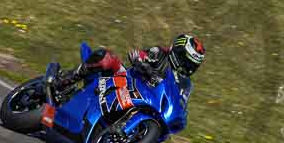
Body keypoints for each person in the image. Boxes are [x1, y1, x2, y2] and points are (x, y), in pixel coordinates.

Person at [63, 34, 206, 86]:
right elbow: (138, 55)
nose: (188, 68)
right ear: (178, 53)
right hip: (125, 82)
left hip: (146, 101)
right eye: (187, 63)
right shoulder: (159, 53)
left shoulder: (182, 83)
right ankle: (67, 79)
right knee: (108, 58)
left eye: (193, 66)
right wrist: (140, 63)